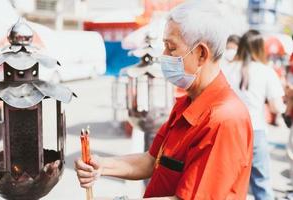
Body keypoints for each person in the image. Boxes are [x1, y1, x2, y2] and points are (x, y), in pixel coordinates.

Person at [75, 1, 253, 199]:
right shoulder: (187, 103)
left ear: (201, 53)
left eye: (171, 48)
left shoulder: (224, 120)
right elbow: (153, 161)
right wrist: (101, 166)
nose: (164, 55)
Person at [223, 30, 285, 200]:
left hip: (228, 132)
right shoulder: (266, 71)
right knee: (261, 182)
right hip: (255, 131)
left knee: (228, 183)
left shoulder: (228, 68)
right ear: (260, 48)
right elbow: (276, 107)